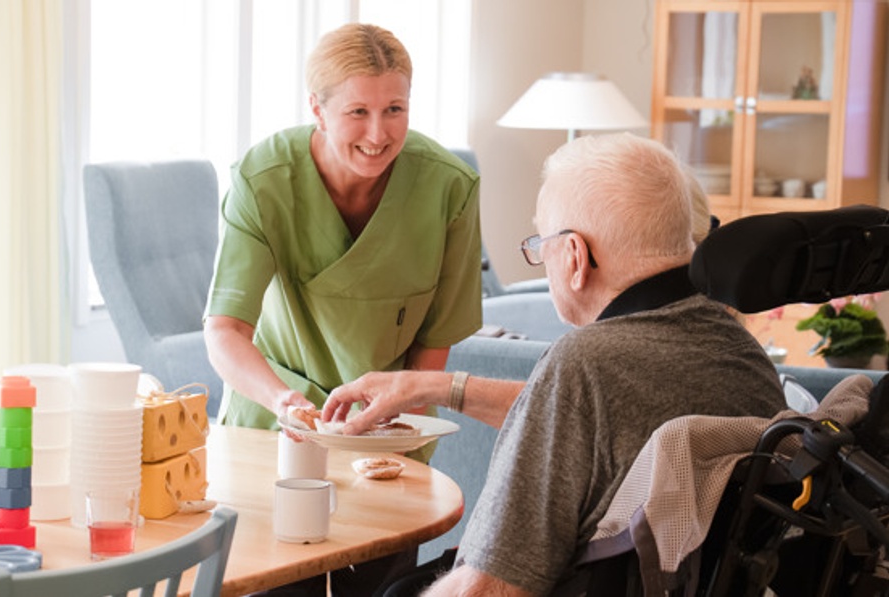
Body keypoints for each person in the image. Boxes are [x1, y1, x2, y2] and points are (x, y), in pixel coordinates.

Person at [323, 133, 787, 595]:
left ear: (574, 256)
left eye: (539, 243)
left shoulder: (586, 365)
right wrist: (435, 387)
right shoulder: (744, 355)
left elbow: (485, 590)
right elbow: (591, 432)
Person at [202, 22, 482, 595]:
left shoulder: (449, 186)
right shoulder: (264, 180)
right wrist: (285, 401)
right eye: (358, 111)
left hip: (386, 434)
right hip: (272, 426)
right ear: (318, 109)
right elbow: (225, 329)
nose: (378, 134)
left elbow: (437, 338)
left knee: (378, 586)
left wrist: (398, 424)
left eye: (395, 109)